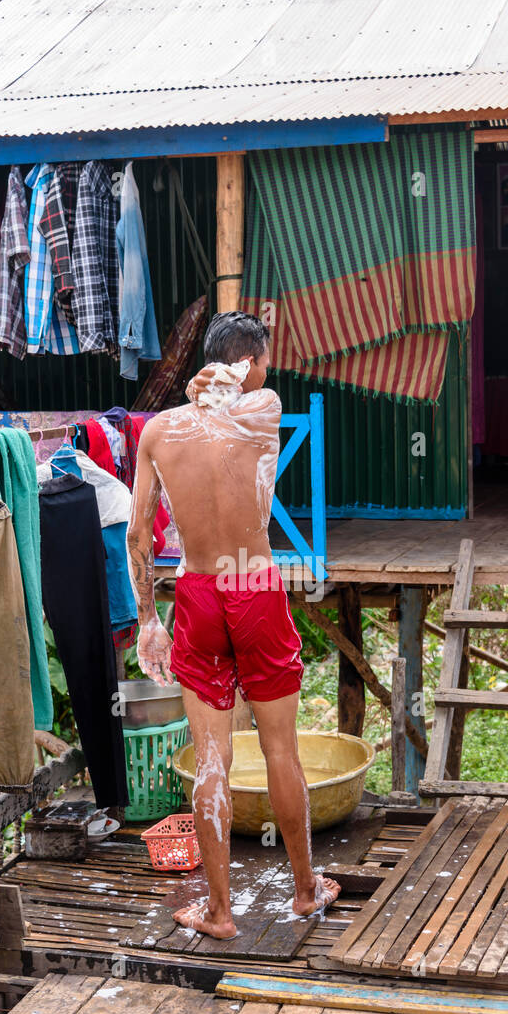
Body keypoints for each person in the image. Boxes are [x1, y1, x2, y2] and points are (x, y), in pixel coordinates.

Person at [126, 310, 340, 939]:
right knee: (280, 748)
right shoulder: (262, 415)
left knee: (213, 756)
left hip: (195, 590)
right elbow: (252, 399)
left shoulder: (160, 432)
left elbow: (140, 535)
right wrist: (226, 390)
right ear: (253, 361)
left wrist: (147, 618)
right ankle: (305, 890)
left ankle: (219, 912)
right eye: (265, 359)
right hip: (254, 582)